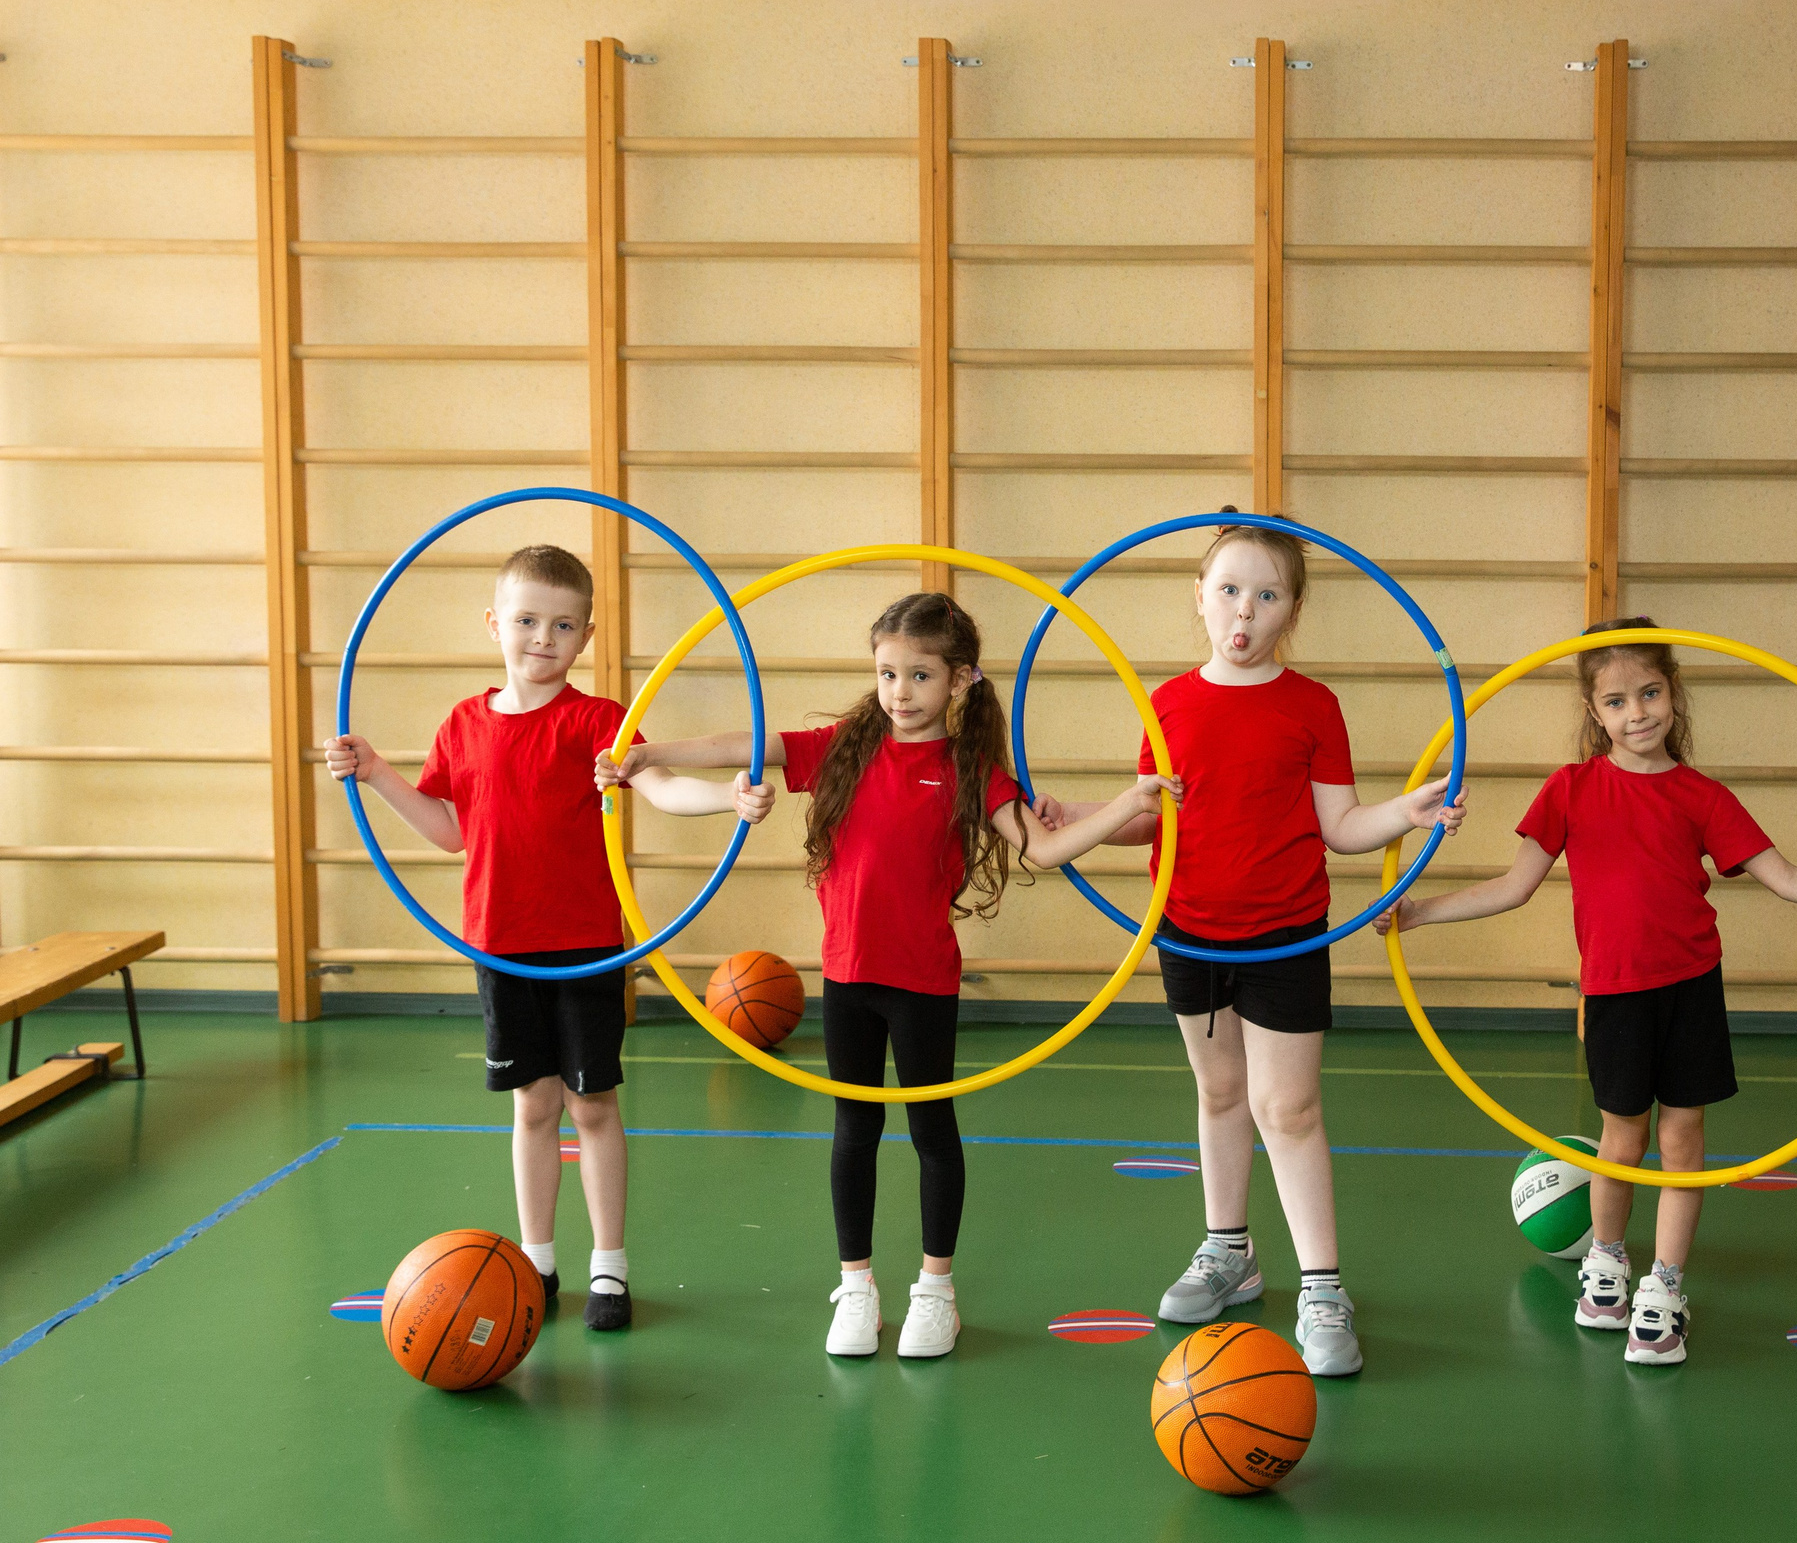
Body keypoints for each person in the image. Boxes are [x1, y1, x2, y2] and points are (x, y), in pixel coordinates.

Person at [600, 590, 1173, 1360]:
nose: (899, 694)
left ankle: (936, 1290)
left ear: (961, 681)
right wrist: (652, 752)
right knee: (854, 1129)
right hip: (848, 976)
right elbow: (752, 742)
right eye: (887, 674)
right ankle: (857, 1286)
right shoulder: (846, 746)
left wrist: (1131, 806)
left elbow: (1041, 849)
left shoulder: (970, 766)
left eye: (919, 677)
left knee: (932, 1131)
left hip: (925, 980)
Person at [1377, 619, 1797, 1366]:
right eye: (1616, 701)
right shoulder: (1570, 789)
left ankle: (1665, 1285)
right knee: (1621, 1140)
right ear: (1594, 711)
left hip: (1690, 991)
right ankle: (1606, 1264)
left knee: (1683, 1144)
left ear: (1673, 693)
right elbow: (1513, 887)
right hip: (1614, 994)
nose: (1636, 711)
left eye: (1649, 692)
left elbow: (1787, 877)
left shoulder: (1701, 795)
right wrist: (1418, 912)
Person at [1054, 513, 1464, 1377]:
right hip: (1188, 930)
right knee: (1220, 1095)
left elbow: (1342, 828)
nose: (1245, 610)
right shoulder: (1166, 702)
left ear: (1293, 609)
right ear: (1199, 599)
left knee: (1290, 1108)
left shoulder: (1312, 705)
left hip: (1282, 936)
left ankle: (1322, 1286)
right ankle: (1228, 1251)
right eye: (1229, 589)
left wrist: (1409, 811)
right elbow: (1165, 820)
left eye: (1267, 594)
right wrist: (1090, 818)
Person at [325, 544, 760, 1330]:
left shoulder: (598, 723)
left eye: (562, 624)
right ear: (495, 623)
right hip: (502, 945)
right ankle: (537, 1261)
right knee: (533, 1105)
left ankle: (609, 1269)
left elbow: (658, 786)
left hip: (587, 944)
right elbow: (449, 831)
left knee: (592, 1103)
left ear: (585, 635)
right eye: (526, 620)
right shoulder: (463, 723)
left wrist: (729, 799)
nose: (542, 637)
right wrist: (377, 772)